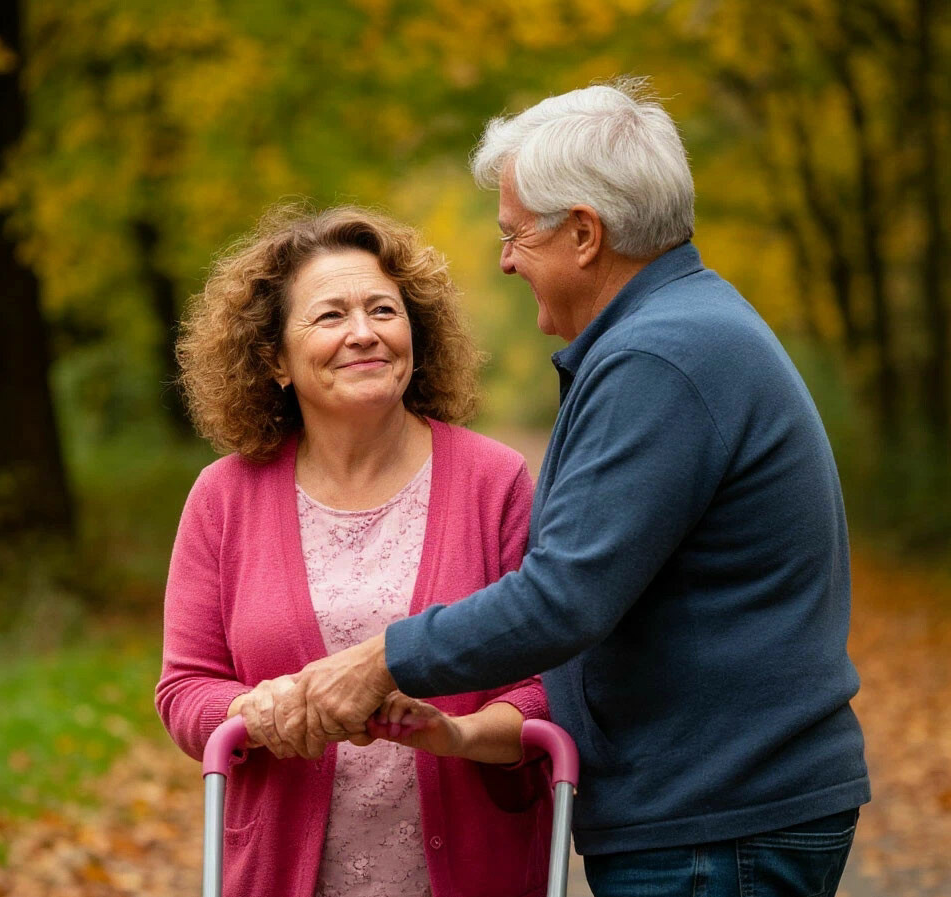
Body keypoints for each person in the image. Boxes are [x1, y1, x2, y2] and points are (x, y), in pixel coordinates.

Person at [268, 81, 871, 897]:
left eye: (517, 235)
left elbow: (562, 598)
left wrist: (382, 659)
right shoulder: (682, 332)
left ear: (585, 233)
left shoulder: (660, 358)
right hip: (722, 809)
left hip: (716, 820)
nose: (507, 259)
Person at [154, 205, 554, 897]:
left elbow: (546, 686)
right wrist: (258, 708)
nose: (364, 334)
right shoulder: (223, 496)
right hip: (283, 873)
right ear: (275, 357)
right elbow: (185, 689)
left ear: (415, 333)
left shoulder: (496, 481)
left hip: (470, 871)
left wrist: (455, 735)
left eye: (383, 310)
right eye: (330, 316)